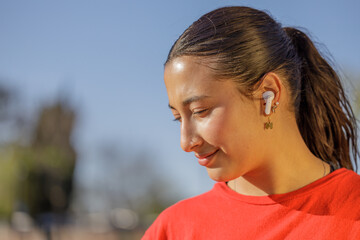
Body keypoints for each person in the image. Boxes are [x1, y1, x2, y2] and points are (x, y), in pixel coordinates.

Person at [142, 6, 360, 239]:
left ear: (269, 94)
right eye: (178, 118)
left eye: (200, 111)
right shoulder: (173, 229)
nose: (186, 143)